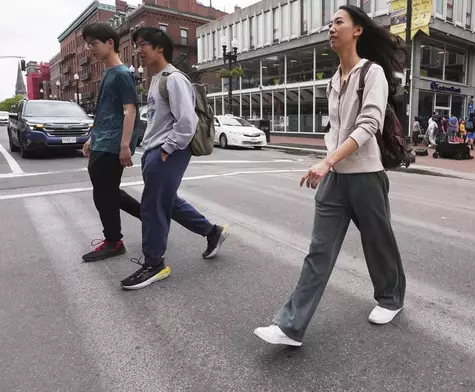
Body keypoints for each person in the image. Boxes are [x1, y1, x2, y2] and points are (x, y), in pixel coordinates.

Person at [253, 5, 406, 346]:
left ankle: (390, 298)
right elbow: (336, 130)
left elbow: (368, 125)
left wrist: (326, 162)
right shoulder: (333, 80)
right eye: (330, 24)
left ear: (358, 31)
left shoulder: (373, 74)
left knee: (378, 242)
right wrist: (329, 163)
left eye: (339, 22)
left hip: (366, 175)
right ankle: (290, 326)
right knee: (319, 251)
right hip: (336, 177)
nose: (332, 28)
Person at [120, 27, 230, 290]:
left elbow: (187, 122)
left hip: (167, 151)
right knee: (167, 202)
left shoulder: (174, 78)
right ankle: (212, 232)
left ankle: (154, 264)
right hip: (155, 151)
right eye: (136, 45)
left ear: (160, 47)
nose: (139, 50)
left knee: (153, 206)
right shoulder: (158, 78)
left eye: (143, 44)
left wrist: (167, 150)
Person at [79, 22, 140, 262]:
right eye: (88, 44)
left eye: (94, 44)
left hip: (112, 145)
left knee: (104, 196)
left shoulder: (123, 74)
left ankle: (114, 242)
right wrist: (92, 138)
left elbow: (130, 111)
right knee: (108, 193)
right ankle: (151, 218)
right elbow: (106, 112)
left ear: (110, 43)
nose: (89, 49)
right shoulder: (108, 73)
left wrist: (124, 145)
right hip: (101, 142)